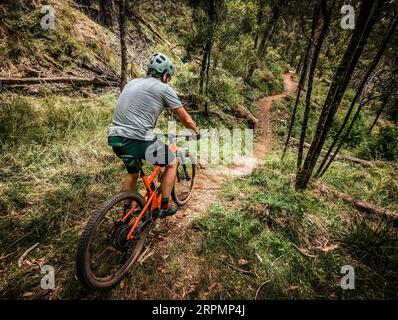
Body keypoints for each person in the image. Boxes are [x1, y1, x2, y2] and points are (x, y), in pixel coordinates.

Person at [108, 53, 200, 218]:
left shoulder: (132, 83)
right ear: (165, 75)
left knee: (133, 173)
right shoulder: (164, 88)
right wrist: (195, 131)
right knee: (172, 161)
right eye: (168, 77)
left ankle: (126, 212)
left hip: (115, 138)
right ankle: (164, 206)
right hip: (137, 139)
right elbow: (186, 119)